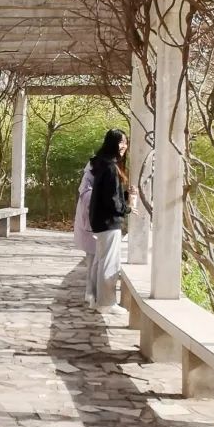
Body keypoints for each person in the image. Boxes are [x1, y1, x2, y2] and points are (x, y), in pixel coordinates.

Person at [88, 128, 135, 312]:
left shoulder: (103, 164)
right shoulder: (110, 167)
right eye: (120, 142)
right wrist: (127, 208)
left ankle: (94, 299)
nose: (124, 146)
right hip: (108, 221)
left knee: (100, 261)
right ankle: (106, 303)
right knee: (109, 263)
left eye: (125, 142)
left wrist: (125, 196)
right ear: (112, 143)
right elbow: (112, 200)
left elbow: (110, 194)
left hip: (100, 220)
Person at [73, 158, 99, 305]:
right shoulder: (90, 173)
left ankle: (95, 293)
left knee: (98, 260)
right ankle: (91, 293)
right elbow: (85, 194)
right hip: (91, 220)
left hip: (101, 220)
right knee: (92, 259)